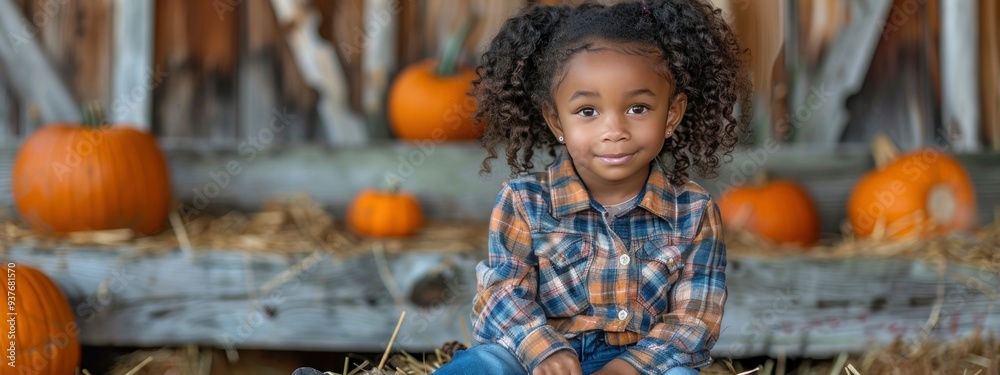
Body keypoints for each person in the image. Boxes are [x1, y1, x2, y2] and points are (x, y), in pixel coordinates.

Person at [434, 0, 752, 374]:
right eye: (588, 111)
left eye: (638, 108)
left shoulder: (694, 211)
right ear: (556, 120)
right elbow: (501, 293)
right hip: (536, 359)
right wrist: (543, 350)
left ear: (672, 115)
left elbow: (694, 319)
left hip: (641, 364)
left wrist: (628, 367)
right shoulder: (524, 201)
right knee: (480, 364)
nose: (614, 130)